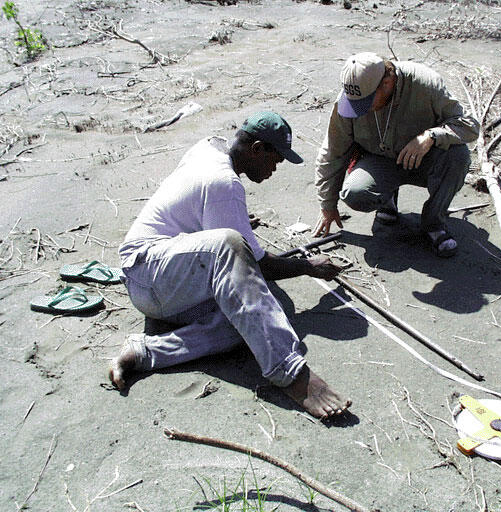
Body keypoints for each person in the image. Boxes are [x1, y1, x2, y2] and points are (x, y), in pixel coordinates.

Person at [110, 111, 351, 420]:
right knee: (234, 250)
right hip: (149, 274)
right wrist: (307, 266)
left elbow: (198, 204)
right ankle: (290, 373)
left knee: (251, 322)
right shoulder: (224, 184)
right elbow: (258, 264)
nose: (274, 169)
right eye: (274, 160)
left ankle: (145, 352)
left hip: (166, 277)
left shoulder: (209, 147)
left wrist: (227, 220)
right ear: (258, 149)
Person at [313, 52, 479, 257]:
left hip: (423, 158)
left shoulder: (426, 83)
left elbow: (470, 127)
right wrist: (327, 206)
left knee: (458, 156)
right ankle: (387, 202)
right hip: (379, 159)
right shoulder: (348, 100)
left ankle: (434, 223)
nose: (361, 110)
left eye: (366, 102)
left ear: (387, 82)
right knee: (355, 193)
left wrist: (430, 137)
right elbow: (332, 152)